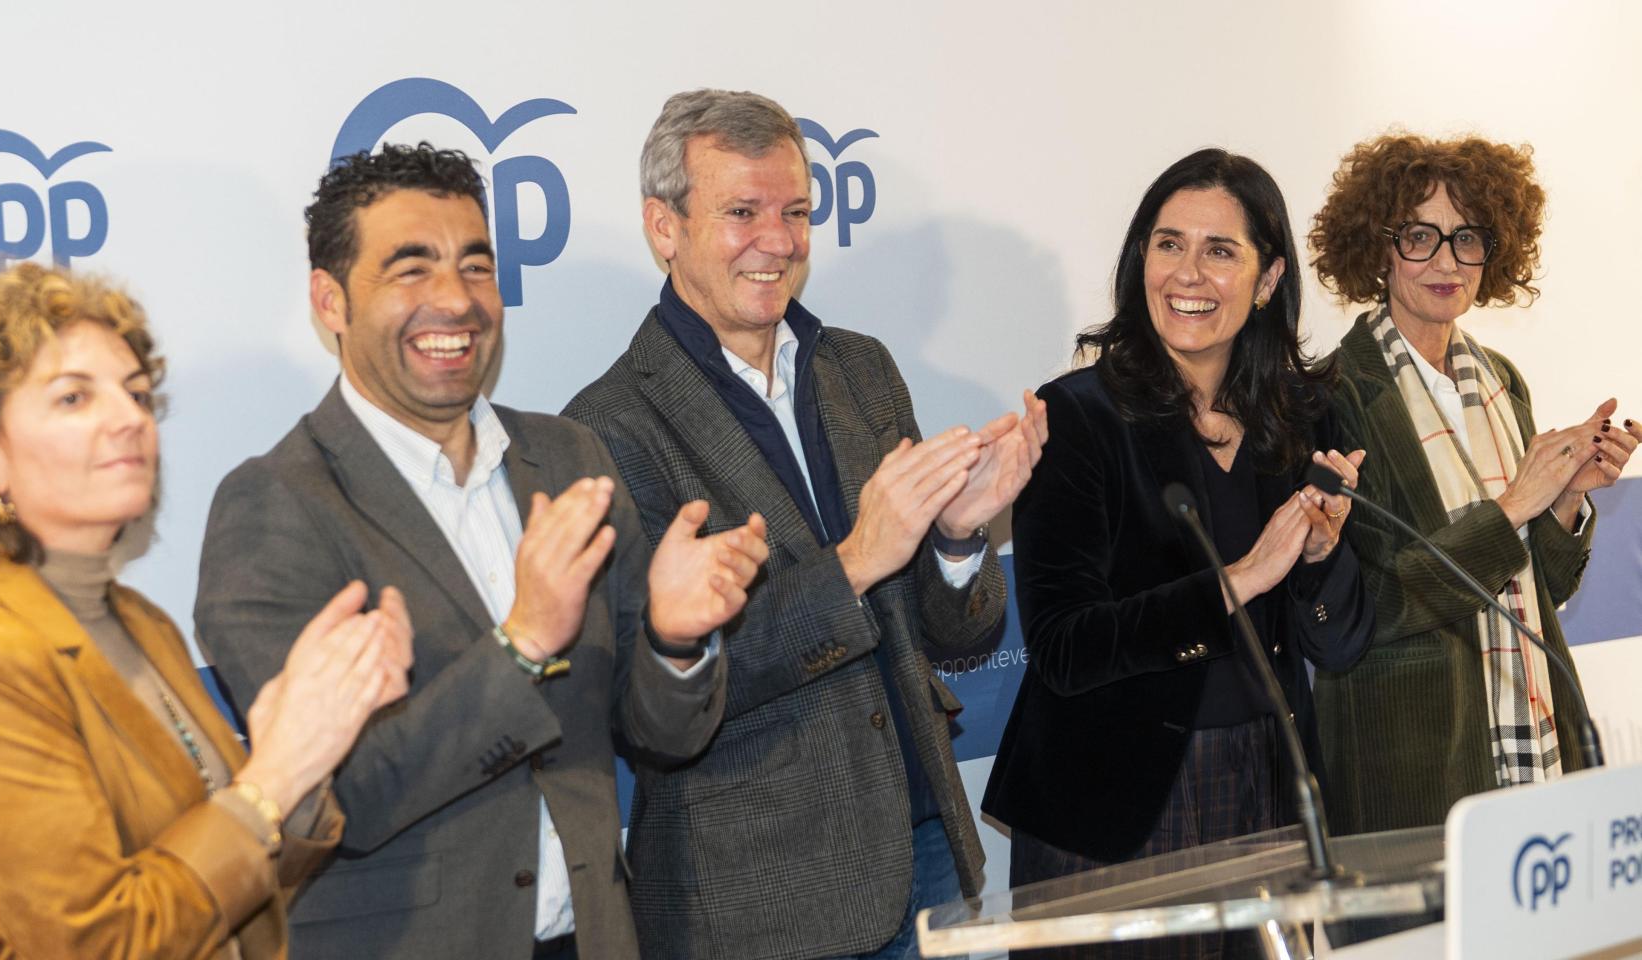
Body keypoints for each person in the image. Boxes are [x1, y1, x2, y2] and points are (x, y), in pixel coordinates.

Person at [193, 142, 765, 960]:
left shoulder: (569, 460)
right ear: (331, 301)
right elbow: (344, 795)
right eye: (410, 271)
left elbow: (661, 736)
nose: (455, 301)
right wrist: (523, 642)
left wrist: (675, 640)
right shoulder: (274, 508)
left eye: (475, 267)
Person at [563, 88, 1046, 960]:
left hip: (926, 846)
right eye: (742, 212)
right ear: (662, 227)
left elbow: (956, 641)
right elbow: (657, 701)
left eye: (795, 212)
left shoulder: (859, 370)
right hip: (759, 898)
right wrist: (856, 560)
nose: (778, 241)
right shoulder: (608, 426)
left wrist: (960, 538)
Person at [0, 263, 410, 959]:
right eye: (73, 399)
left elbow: (225, 894)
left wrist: (303, 765)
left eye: (135, 393)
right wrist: (270, 776)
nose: (129, 418)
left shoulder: (139, 620)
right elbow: (104, 944)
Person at [981, 149, 1375, 959]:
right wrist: (1241, 578)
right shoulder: (1078, 418)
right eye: (1168, 244)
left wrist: (1318, 563)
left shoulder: (1304, 417)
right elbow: (1063, 647)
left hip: (1267, 787)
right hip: (1113, 809)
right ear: (1140, 261)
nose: (1187, 273)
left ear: (1267, 282)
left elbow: (1339, 642)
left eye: (1219, 251)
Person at [1306, 134, 1638, 834]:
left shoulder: (1501, 380)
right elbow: (1371, 607)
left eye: (1468, 239)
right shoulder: (1333, 395)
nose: (1447, 262)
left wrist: (1568, 497)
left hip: (1532, 739)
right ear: (1378, 247)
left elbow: (1543, 586)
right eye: (1420, 236)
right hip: (1412, 762)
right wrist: (1515, 502)